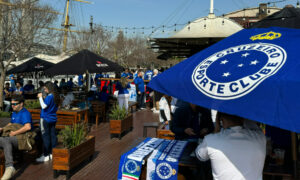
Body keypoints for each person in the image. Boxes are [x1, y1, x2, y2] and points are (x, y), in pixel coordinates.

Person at [196, 112, 266, 180]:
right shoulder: (260, 138)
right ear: (243, 119)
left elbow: (200, 156)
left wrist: (216, 130)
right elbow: (252, 125)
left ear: (221, 120)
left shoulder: (211, 140)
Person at [0, 95, 32, 180]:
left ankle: (10, 167)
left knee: (6, 141)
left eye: (15, 104)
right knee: (4, 140)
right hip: (12, 136)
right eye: (12, 104)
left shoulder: (25, 113)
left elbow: (28, 127)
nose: (12, 106)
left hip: (21, 138)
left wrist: (15, 132)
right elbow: (11, 123)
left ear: (21, 104)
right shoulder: (14, 112)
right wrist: (3, 129)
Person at [36, 82, 60, 162]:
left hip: (45, 118)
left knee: (45, 137)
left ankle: (46, 155)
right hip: (53, 118)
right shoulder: (55, 96)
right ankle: (52, 153)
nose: (45, 90)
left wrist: (40, 98)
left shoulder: (49, 96)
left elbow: (44, 106)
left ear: (49, 88)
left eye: (45, 88)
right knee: (52, 136)